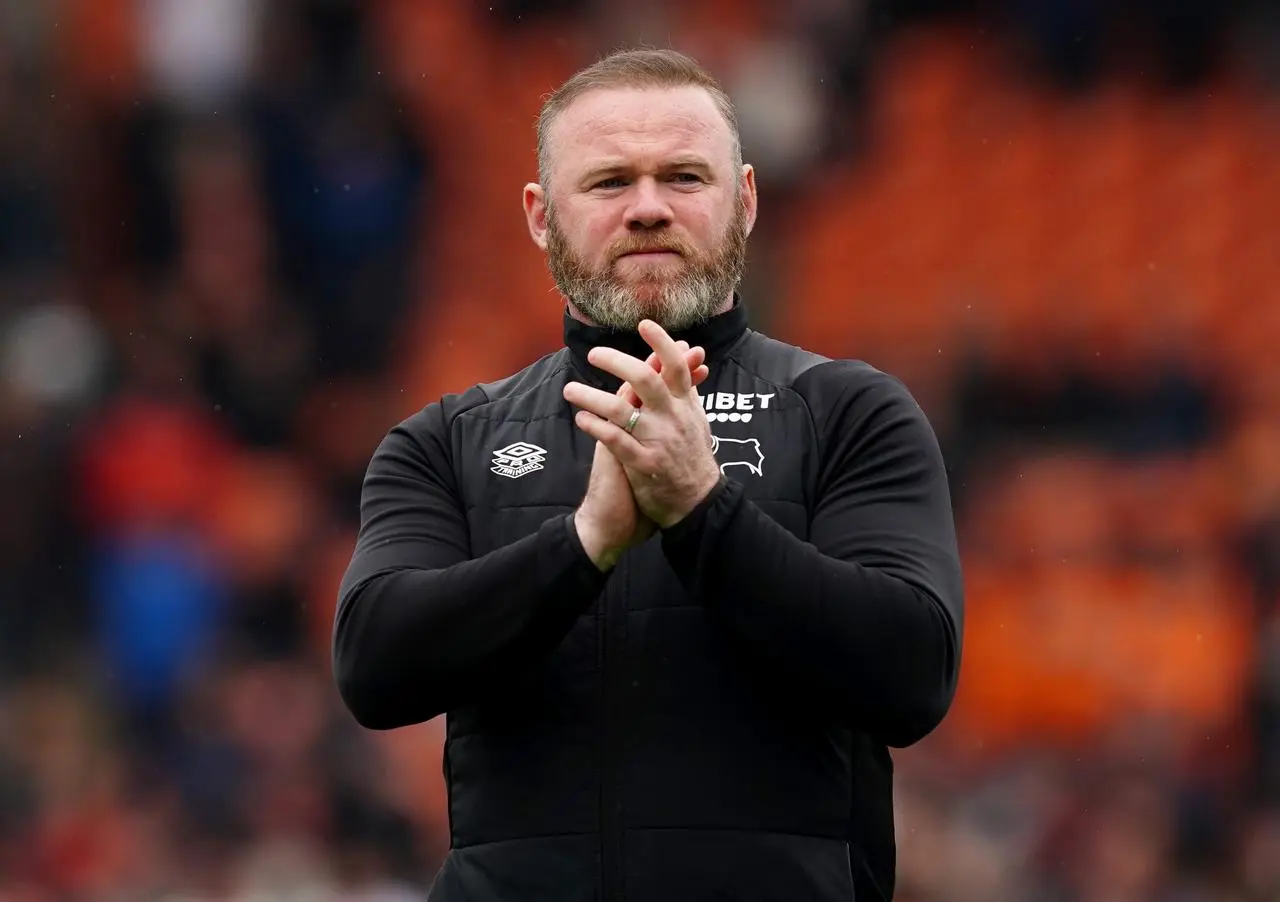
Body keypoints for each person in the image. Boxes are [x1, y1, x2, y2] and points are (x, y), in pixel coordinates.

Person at [333, 48, 964, 902]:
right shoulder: (445, 442)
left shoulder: (851, 413)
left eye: (683, 177)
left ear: (744, 201)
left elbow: (914, 676)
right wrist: (584, 543)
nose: (647, 209)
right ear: (540, 215)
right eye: (607, 183)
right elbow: (374, 667)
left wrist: (704, 513)